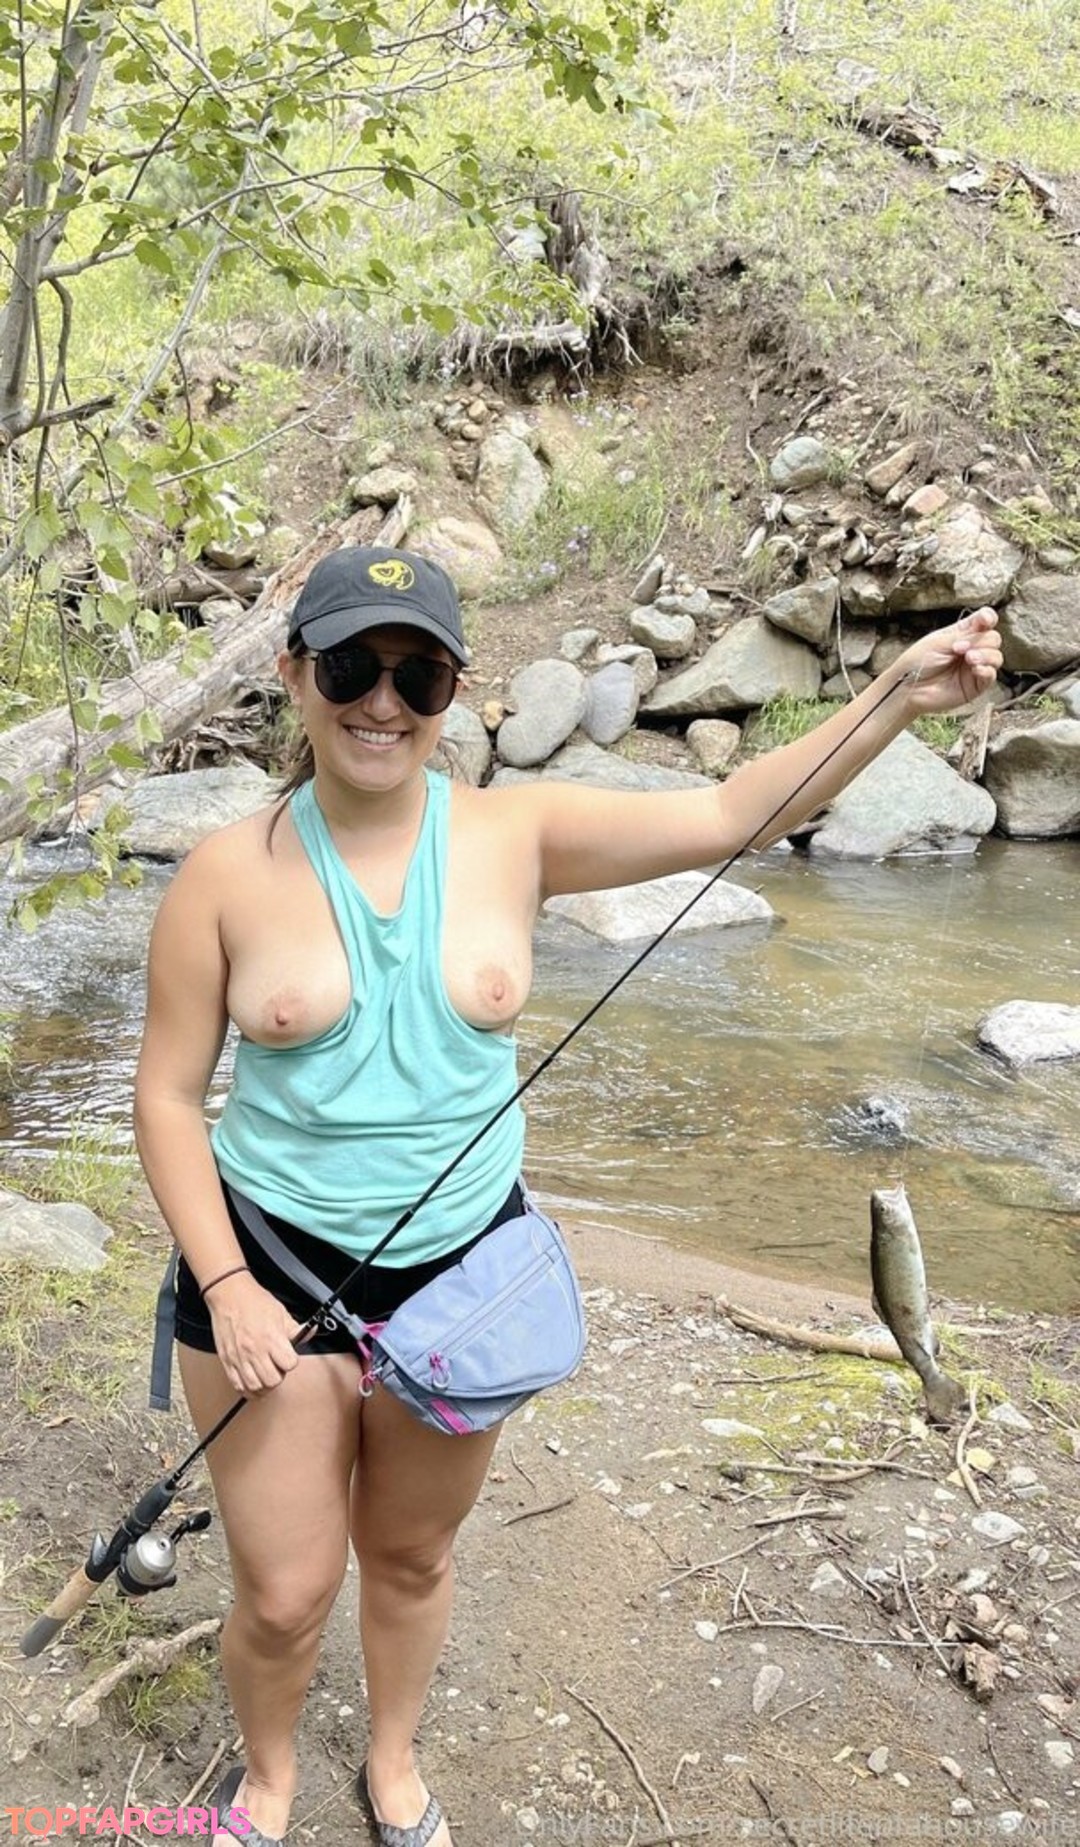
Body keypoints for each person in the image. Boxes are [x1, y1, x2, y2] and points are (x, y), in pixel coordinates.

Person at [133, 543, 1002, 1847]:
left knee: (413, 1556)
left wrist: (895, 697)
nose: (383, 702)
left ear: (454, 692)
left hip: (463, 1275)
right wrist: (227, 1285)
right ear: (296, 675)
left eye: (418, 676)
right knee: (286, 1591)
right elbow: (164, 1098)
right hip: (265, 1274)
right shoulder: (220, 875)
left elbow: (733, 813)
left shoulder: (519, 834)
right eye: (353, 667)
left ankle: (393, 1761)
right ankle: (266, 1780)